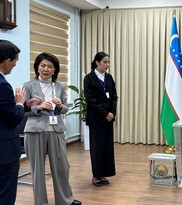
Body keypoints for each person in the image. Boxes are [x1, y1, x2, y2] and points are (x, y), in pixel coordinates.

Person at [23, 52, 81, 205]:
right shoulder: (28, 86)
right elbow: (23, 110)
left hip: (56, 131)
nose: (46, 69)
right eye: (43, 65)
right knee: (38, 171)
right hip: (35, 131)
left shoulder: (60, 86)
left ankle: (65, 200)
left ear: (55, 70)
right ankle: (41, 202)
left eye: (50, 66)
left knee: (62, 167)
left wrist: (61, 105)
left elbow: (66, 109)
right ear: (37, 68)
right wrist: (39, 107)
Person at [84, 52, 118, 187]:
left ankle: (104, 173)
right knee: (97, 148)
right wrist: (105, 113)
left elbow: (114, 96)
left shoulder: (109, 77)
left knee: (107, 147)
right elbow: (91, 100)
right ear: (97, 62)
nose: (107, 65)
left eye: (108, 62)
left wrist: (112, 113)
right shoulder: (89, 78)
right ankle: (96, 176)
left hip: (108, 118)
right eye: (105, 62)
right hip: (97, 118)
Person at [0, 40, 26, 205]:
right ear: (7, 61)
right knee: (6, 195)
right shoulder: (3, 85)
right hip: (5, 152)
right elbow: (13, 118)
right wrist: (19, 103)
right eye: (15, 61)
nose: (15, 65)